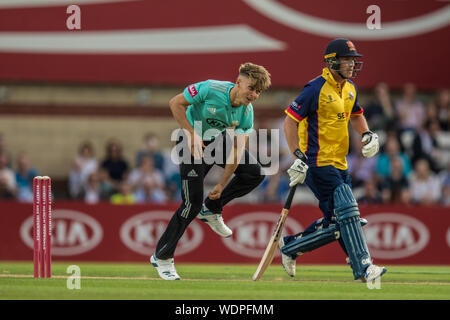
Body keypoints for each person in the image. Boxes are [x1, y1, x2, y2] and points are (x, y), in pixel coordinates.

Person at [278, 39, 386, 283]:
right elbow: (290, 121)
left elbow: (357, 115)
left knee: (337, 222)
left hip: (340, 162)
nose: (351, 64)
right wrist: (296, 154)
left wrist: (367, 134)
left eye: (352, 60)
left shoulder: (350, 88)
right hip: (317, 162)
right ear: (332, 61)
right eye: (347, 59)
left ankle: (292, 246)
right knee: (348, 212)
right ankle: (364, 267)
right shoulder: (314, 89)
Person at [150, 62, 271, 280]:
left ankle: (212, 207)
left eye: (258, 92)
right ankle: (162, 257)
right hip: (189, 141)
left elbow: (237, 151)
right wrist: (191, 132)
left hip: (215, 142)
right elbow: (175, 103)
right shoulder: (210, 88)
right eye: (251, 88)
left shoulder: (246, 112)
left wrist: (221, 185)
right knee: (190, 205)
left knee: (255, 172)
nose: (253, 95)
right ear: (238, 83)